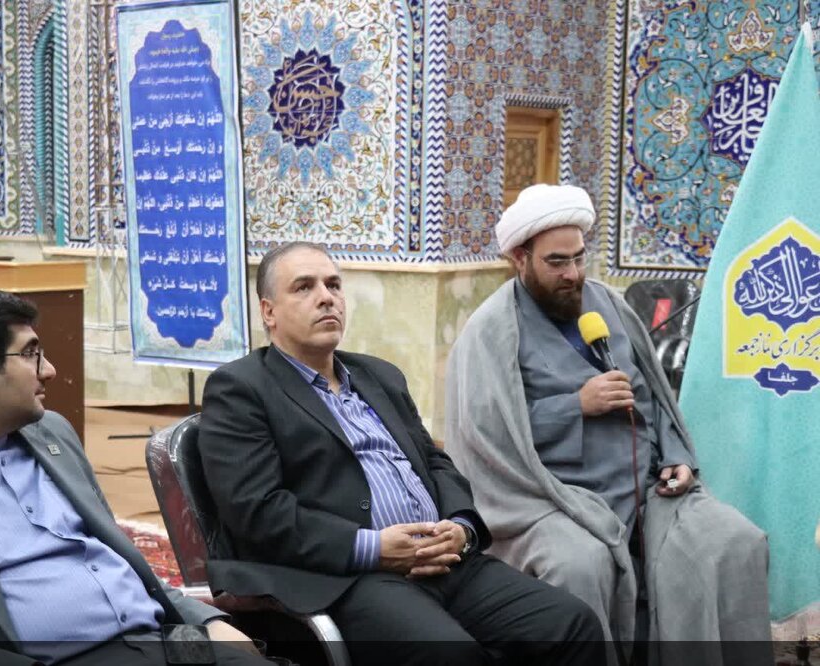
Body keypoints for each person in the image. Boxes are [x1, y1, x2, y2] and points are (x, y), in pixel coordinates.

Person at [198, 241, 606, 666]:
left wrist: (462, 527)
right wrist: (374, 547)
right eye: (304, 287)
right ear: (268, 312)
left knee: (572, 624)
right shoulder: (242, 388)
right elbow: (259, 512)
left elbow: (435, 462)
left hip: (444, 561)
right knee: (451, 655)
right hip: (347, 576)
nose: (326, 297)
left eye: (333, 285)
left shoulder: (379, 375)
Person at [0, 286, 266, 666]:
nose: (50, 370)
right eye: (31, 354)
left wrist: (204, 619)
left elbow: (117, 556)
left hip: (161, 641)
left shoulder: (52, 433)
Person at [445, 184, 771, 664]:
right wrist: (576, 405)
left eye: (579, 258)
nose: (573, 274)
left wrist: (676, 458)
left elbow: (655, 397)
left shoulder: (608, 305)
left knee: (734, 543)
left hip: (648, 492)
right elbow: (486, 435)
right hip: (553, 501)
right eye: (557, 262)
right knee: (581, 565)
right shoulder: (490, 331)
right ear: (520, 258)